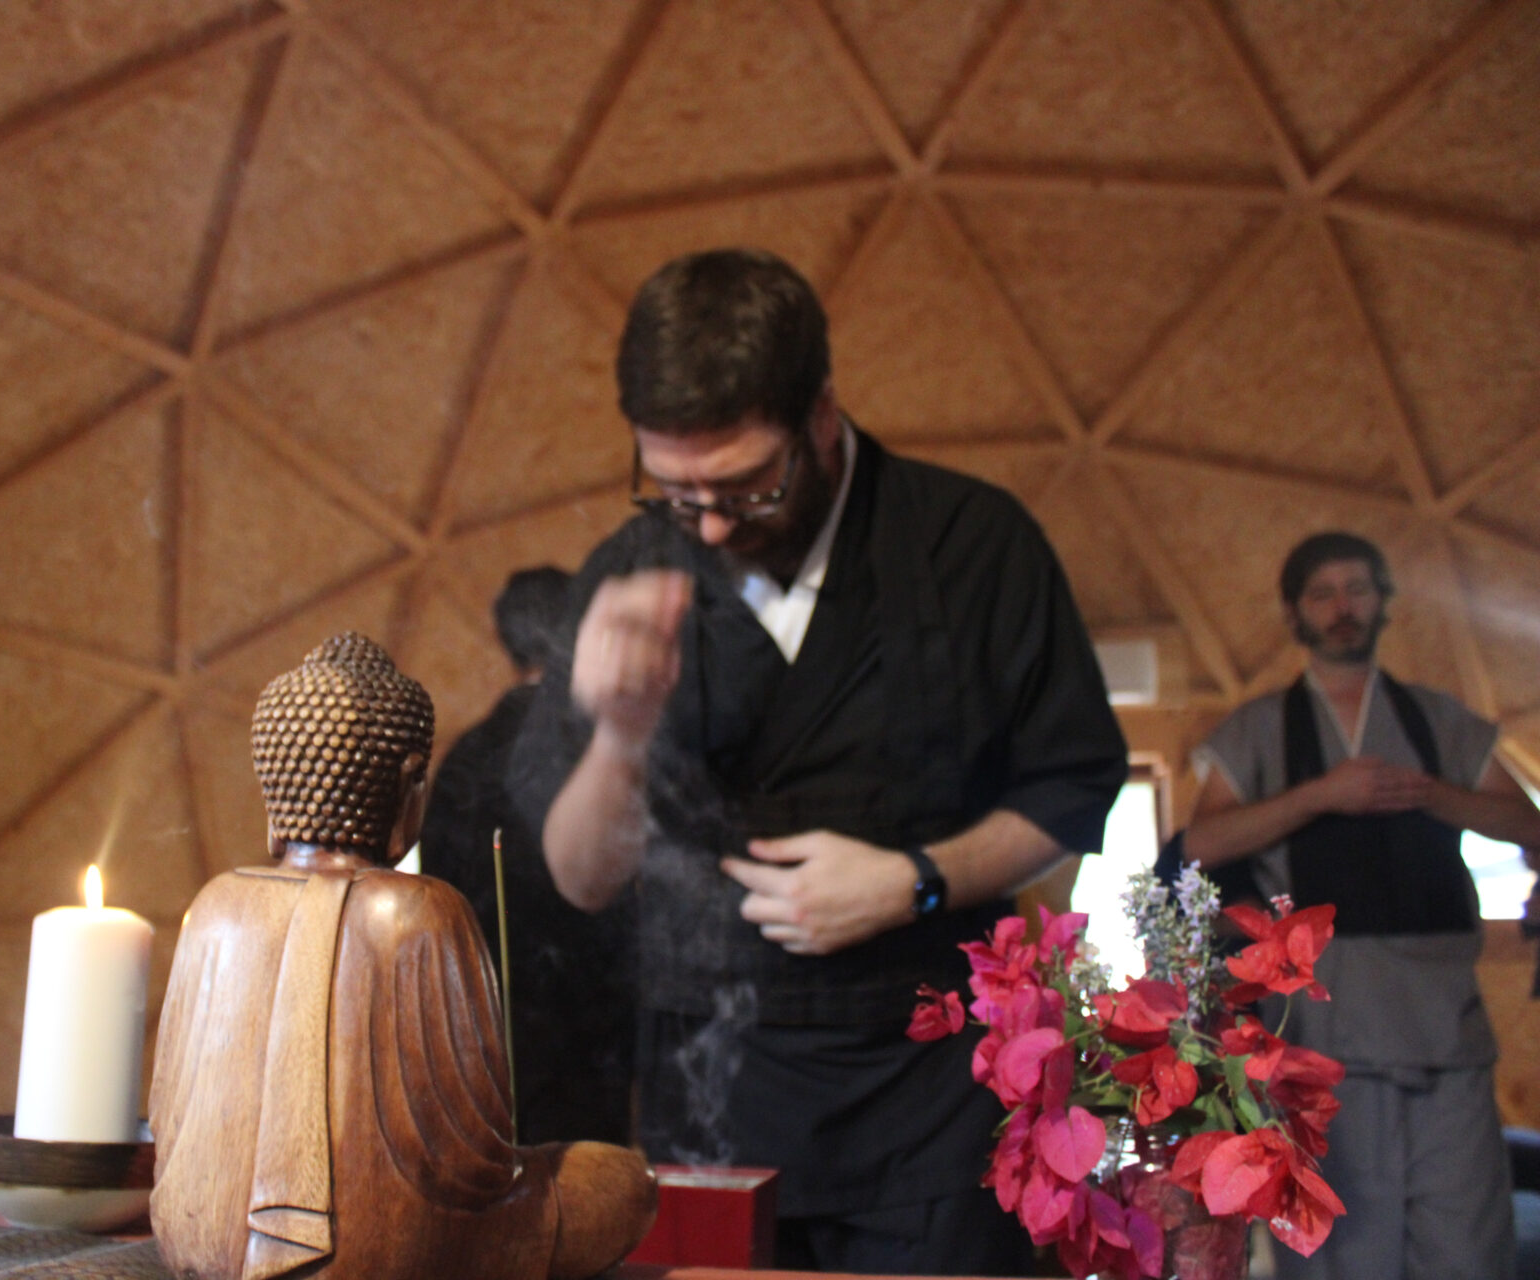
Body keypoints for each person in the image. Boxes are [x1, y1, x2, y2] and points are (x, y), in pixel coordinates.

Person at [509, 248, 1129, 1275]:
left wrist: (915, 880)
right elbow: (582, 876)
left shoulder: (974, 543)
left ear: (822, 416)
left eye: (746, 487)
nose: (710, 523)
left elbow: (1071, 789)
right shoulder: (631, 568)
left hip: (933, 1094)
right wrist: (620, 733)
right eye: (675, 491)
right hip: (707, 1097)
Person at [148, 633, 656, 1280]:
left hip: (199, 1240)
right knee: (623, 1181)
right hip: (397, 1252)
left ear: (271, 788)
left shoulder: (215, 907)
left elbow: (169, 1120)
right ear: (410, 782)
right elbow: (475, 1159)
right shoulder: (422, 913)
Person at [1182, 531, 1540, 1280]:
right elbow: (1199, 844)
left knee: (1468, 1250)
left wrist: (1433, 794)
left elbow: (1528, 823)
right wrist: (1321, 796)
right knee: (1345, 1253)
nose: (1342, 607)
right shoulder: (1255, 729)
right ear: (1294, 613)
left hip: (1442, 1022)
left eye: (1357, 589)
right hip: (1320, 1032)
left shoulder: (1437, 720)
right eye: (1323, 593)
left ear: (1383, 602)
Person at [420, 566, 637, 1146]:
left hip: (481, 1031)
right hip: (590, 1037)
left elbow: (435, 895)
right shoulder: (602, 753)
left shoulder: (464, 758)